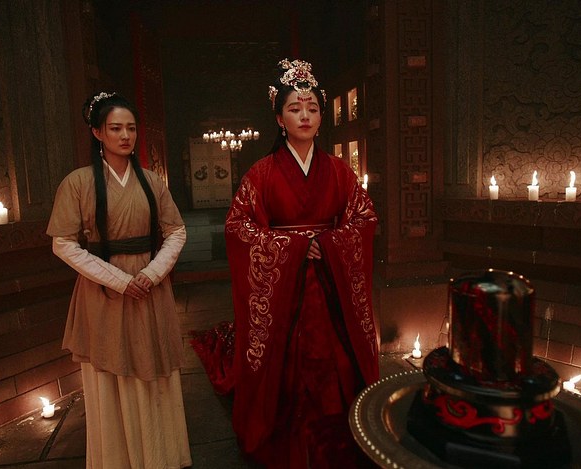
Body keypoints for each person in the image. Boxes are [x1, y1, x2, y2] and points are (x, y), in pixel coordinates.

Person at [221, 58, 379, 468]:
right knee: (287, 371)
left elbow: (365, 218)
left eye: (312, 108)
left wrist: (327, 242)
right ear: (280, 119)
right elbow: (238, 226)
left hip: (328, 285)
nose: (304, 115)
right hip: (285, 292)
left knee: (335, 365)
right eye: (294, 108)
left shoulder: (340, 172)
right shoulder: (261, 174)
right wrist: (291, 247)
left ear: (322, 118)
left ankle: (339, 437)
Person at [47, 92, 191, 469]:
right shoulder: (78, 183)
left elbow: (176, 231)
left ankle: (160, 457)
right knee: (110, 371)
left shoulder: (152, 181)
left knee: (153, 369)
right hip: (103, 290)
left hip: (149, 287)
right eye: (115, 128)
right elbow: (63, 243)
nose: (125, 135)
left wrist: (151, 274)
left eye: (131, 128)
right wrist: (119, 280)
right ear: (97, 132)